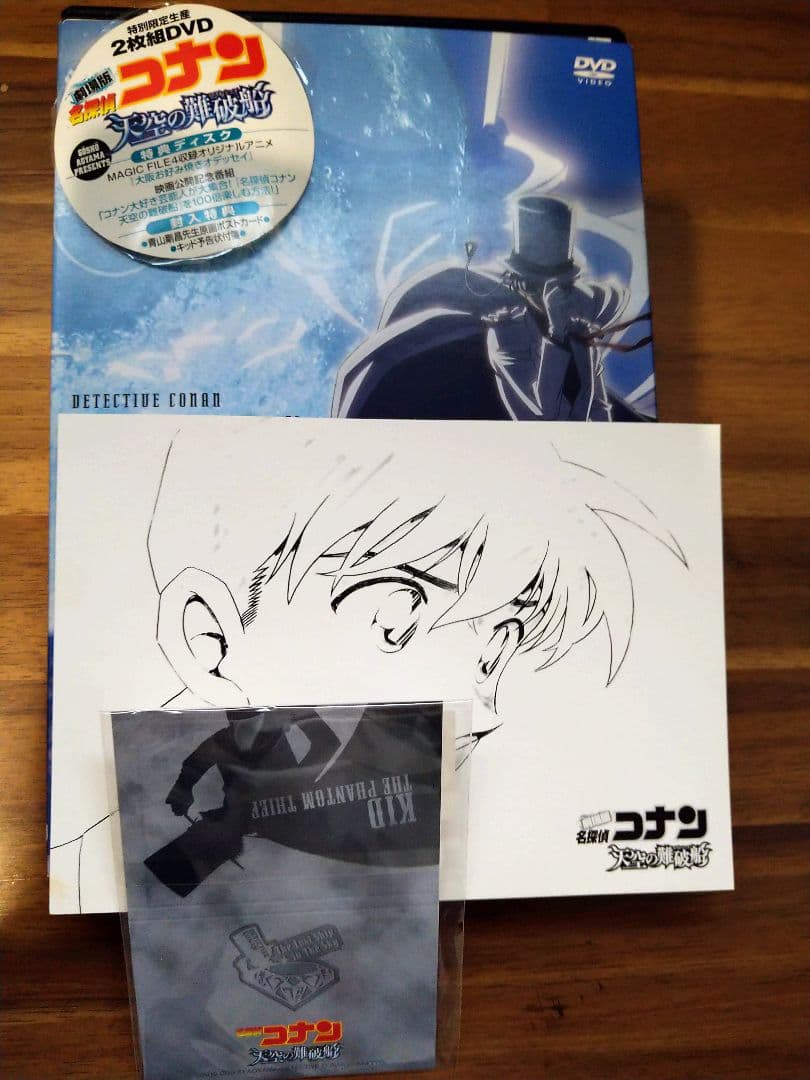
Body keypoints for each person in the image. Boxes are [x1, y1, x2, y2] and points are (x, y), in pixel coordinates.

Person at [331, 195, 652, 422]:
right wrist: (556, 334)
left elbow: (597, 410)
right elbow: (541, 416)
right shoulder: (507, 332)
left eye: (565, 287)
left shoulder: (577, 333)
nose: (563, 296)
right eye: (556, 288)